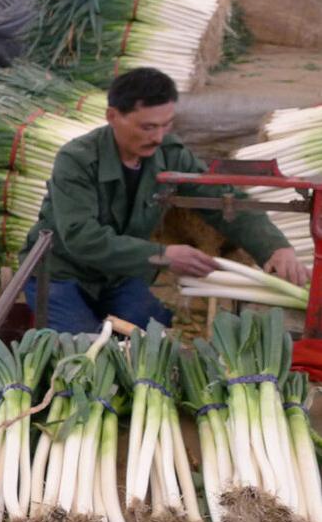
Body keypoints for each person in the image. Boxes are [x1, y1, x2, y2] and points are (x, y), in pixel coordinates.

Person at [21, 67, 306, 334]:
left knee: (156, 334)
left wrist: (274, 247)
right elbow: (81, 237)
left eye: (166, 125)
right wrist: (163, 255)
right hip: (61, 274)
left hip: (119, 275)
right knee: (82, 349)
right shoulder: (77, 159)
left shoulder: (170, 154)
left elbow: (223, 199)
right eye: (147, 127)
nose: (158, 137)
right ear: (112, 116)